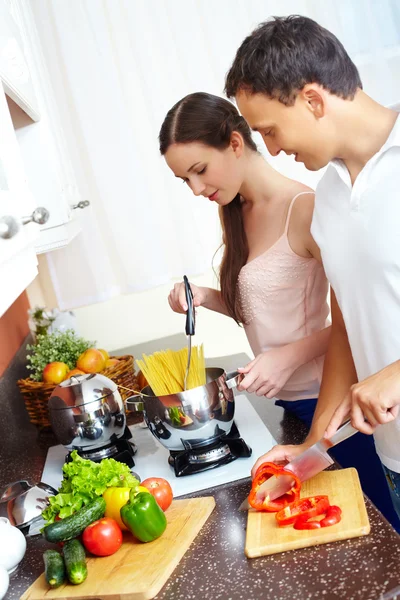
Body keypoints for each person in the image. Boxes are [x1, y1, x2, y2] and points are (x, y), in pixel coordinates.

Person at [224, 14, 400, 529]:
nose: (272, 149)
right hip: (394, 458)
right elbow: (346, 326)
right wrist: (313, 445)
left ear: (313, 99)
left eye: (270, 131)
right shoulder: (327, 196)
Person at [159, 91, 331, 430]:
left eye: (200, 170)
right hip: (287, 400)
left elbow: (356, 320)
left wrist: (286, 358)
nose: (196, 189)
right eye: (185, 180)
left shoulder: (305, 209)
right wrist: (206, 297)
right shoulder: (236, 209)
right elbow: (264, 307)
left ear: (235, 144)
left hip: (326, 399)